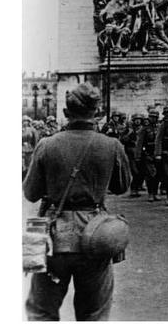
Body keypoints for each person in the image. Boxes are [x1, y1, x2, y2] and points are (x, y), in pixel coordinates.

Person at [23, 82, 131, 321]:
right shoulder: (111, 145)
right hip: (96, 236)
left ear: (65, 112)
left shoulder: (46, 145)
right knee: (93, 315)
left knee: (42, 313)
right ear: (97, 113)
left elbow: (30, 192)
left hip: (53, 237)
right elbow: (122, 186)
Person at [136, 108, 160, 201]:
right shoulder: (144, 129)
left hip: (157, 153)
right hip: (147, 153)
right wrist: (138, 156)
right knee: (150, 174)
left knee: (157, 174)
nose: (153, 119)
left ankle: (155, 192)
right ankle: (150, 193)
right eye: (152, 117)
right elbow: (139, 143)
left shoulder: (159, 127)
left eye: (155, 117)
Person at [120, 113, 143, 197]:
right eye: (136, 119)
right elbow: (122, 140)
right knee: (135, 171)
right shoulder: (128, 129)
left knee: (141, 172)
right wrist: (129, 134)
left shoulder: (143, 129)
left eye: (139, 119)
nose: (138, 121)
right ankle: (133, 189)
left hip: (140, 152)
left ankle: (137, 188)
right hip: (130, 152)